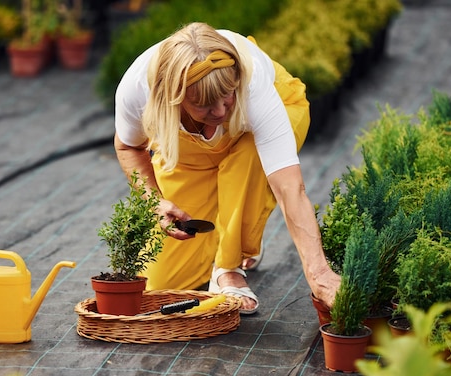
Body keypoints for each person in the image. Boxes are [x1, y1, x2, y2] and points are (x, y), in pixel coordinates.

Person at [113, 22, 340, 314]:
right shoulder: (137, 90)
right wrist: (154, 202)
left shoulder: (254, 84)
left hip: (272, 117)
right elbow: (128, 146)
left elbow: (289, 188)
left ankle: (228, 266)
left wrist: (320, 274)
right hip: (190, 145)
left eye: (227, 96)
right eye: (205, 105)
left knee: (249, 156)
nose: (220, 111)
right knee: (162, 287)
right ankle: (232, 242)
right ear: (175, 98)